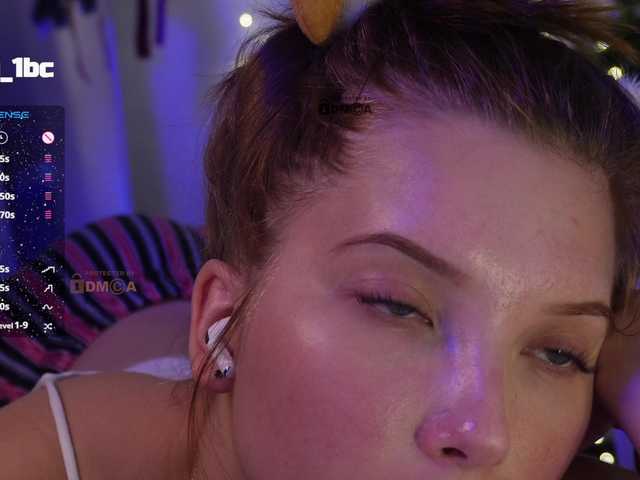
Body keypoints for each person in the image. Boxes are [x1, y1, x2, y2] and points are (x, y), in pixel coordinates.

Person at [3, 0, 640, 478]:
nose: (484, 434)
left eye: (559, 353)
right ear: (220, 321)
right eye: (396, 305)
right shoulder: (59, 449)